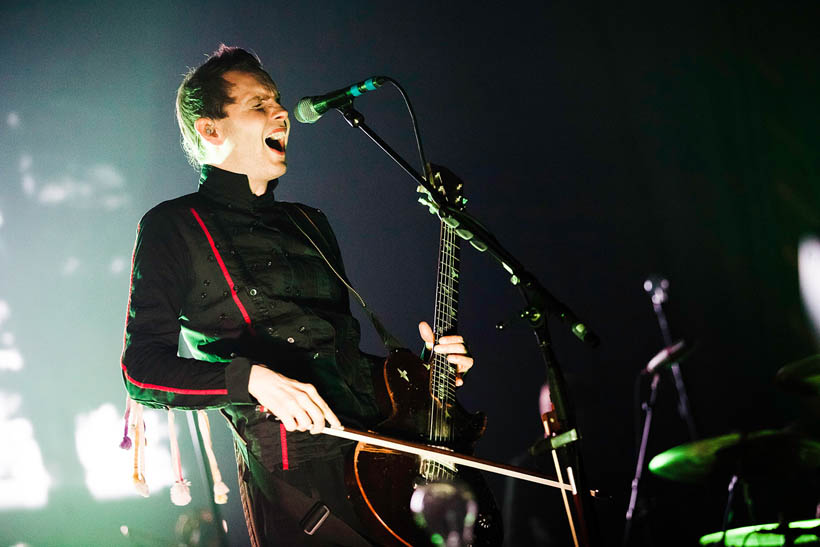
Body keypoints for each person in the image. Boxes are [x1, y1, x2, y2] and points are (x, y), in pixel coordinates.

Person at [120, 45, 474, 546]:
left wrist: (426, 372)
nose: (280, 112)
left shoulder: (310, 222)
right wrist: (254, 380)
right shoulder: (173, 226)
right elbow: (141, 371)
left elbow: (337, 355)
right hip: (297, 477)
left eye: (278, 100)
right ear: (210, 128)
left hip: (382, 453)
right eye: (258, 103)